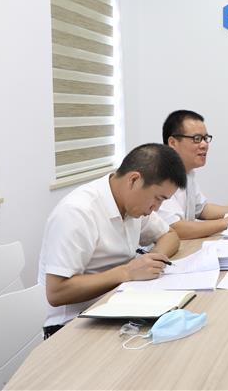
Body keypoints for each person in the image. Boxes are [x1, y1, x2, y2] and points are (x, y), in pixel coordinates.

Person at [38, 143, 187, 338]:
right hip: (72, 324)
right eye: (157, 198)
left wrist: (152, 260)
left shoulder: (133, 206)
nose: (156, 208)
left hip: (118, 306)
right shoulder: (77, 212)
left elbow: (169, 235)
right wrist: (127, 272)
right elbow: (56, 292)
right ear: (134, 180)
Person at [159, 110, 228, 239]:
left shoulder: (187, 172)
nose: (204, 145)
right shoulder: (159, 175)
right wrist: (227, 222)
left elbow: (202, 209)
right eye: (197, 139)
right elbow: (175, 228)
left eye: (205, 138)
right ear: (173, 143)